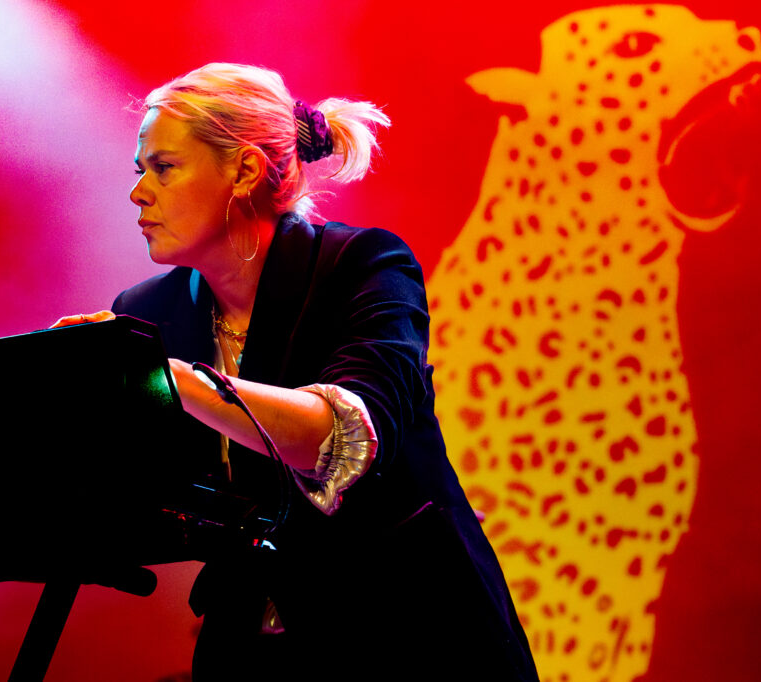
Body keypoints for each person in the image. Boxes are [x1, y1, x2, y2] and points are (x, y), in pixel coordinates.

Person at [57, 63, 538, 681]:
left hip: (413, 630)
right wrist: (68, 406)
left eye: (164, 167)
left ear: (244, 170)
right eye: (138, 170)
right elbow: (153, 495)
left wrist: (175, 380)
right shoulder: (148, 312)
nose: (138, 192)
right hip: (252, 641)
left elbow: (345, 439)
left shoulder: (363, 265)